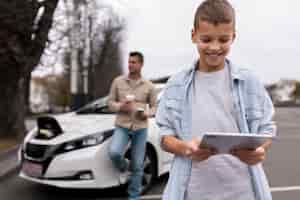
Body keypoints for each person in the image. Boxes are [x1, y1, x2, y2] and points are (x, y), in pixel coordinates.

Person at [155, 0, 276, 200]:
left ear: (233, 37)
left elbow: (267, 129)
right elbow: (164, 135)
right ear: (193, 35)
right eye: (206, 39)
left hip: (244, 192)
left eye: (223, 39)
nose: (214, 47)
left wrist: (260, 150)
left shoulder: (249, 81)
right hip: (191, 191)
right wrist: (185, 148)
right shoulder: (175, 84)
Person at [107, 51, 157, 200]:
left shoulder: (149, 86)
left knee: (138, 165)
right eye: (129, 62)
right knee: (114, 152)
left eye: (134, 62)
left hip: (140, 128)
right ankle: (124, 166)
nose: (130, 65)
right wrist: (121, 106)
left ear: (141, 64)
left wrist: (147, 114)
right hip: (122, 125)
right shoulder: (118, 81)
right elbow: (109, 103)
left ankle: (133, 196)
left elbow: (155, 107)